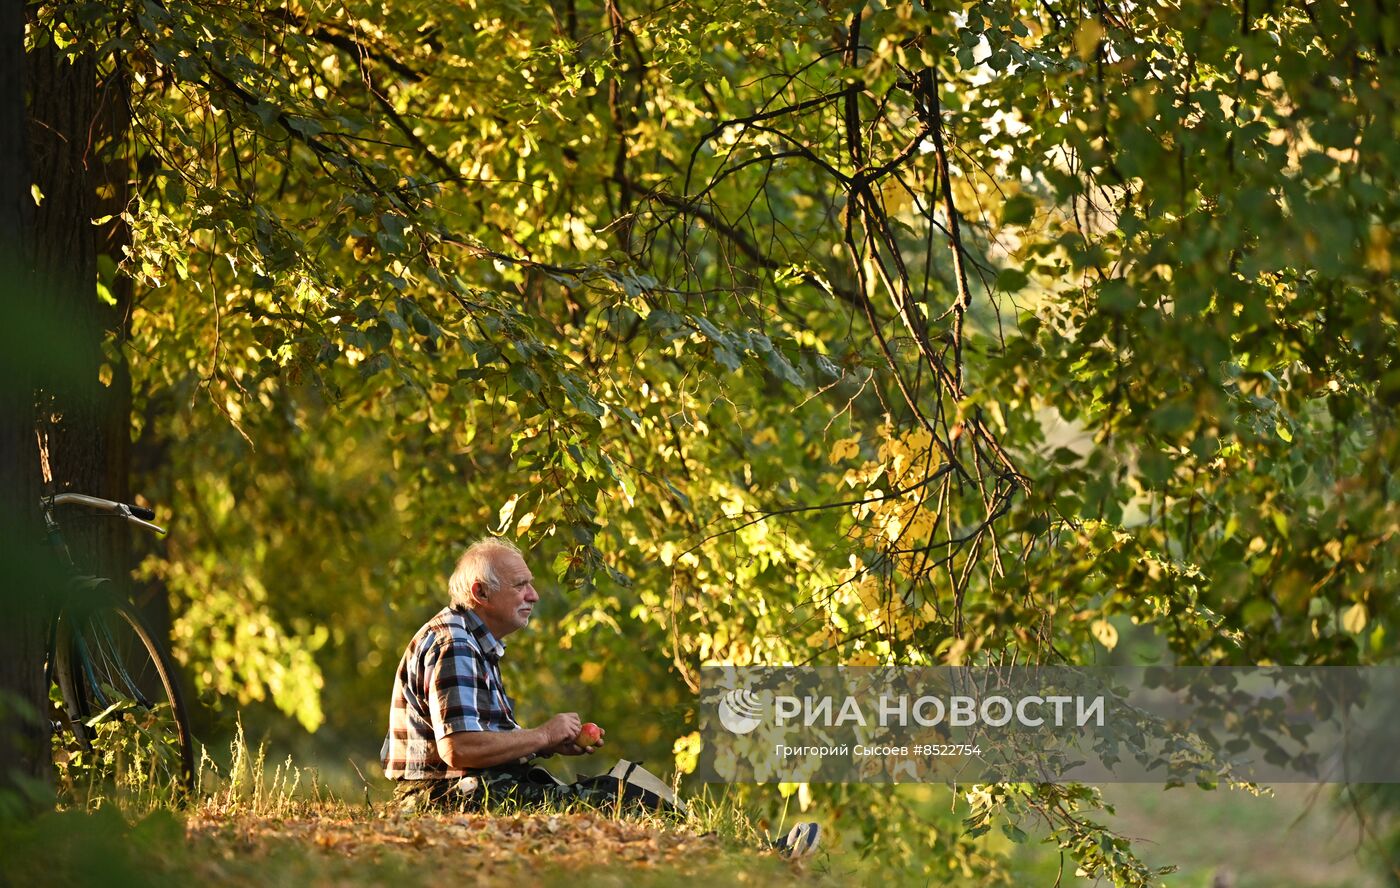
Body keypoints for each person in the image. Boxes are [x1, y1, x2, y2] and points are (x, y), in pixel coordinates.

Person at [381, 536, 821, 857]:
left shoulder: (470, 641)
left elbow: (477, 742)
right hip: (444, 800)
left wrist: (550, 744)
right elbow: (459, 749)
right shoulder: (455, 643)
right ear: (481, 593)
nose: (533, 595)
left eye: (530, 584)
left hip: (473, 789)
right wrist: (542, 733)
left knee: (629, 786)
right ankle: (757, 858)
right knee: (623, 795)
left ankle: (754, 853)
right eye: (520, 585)